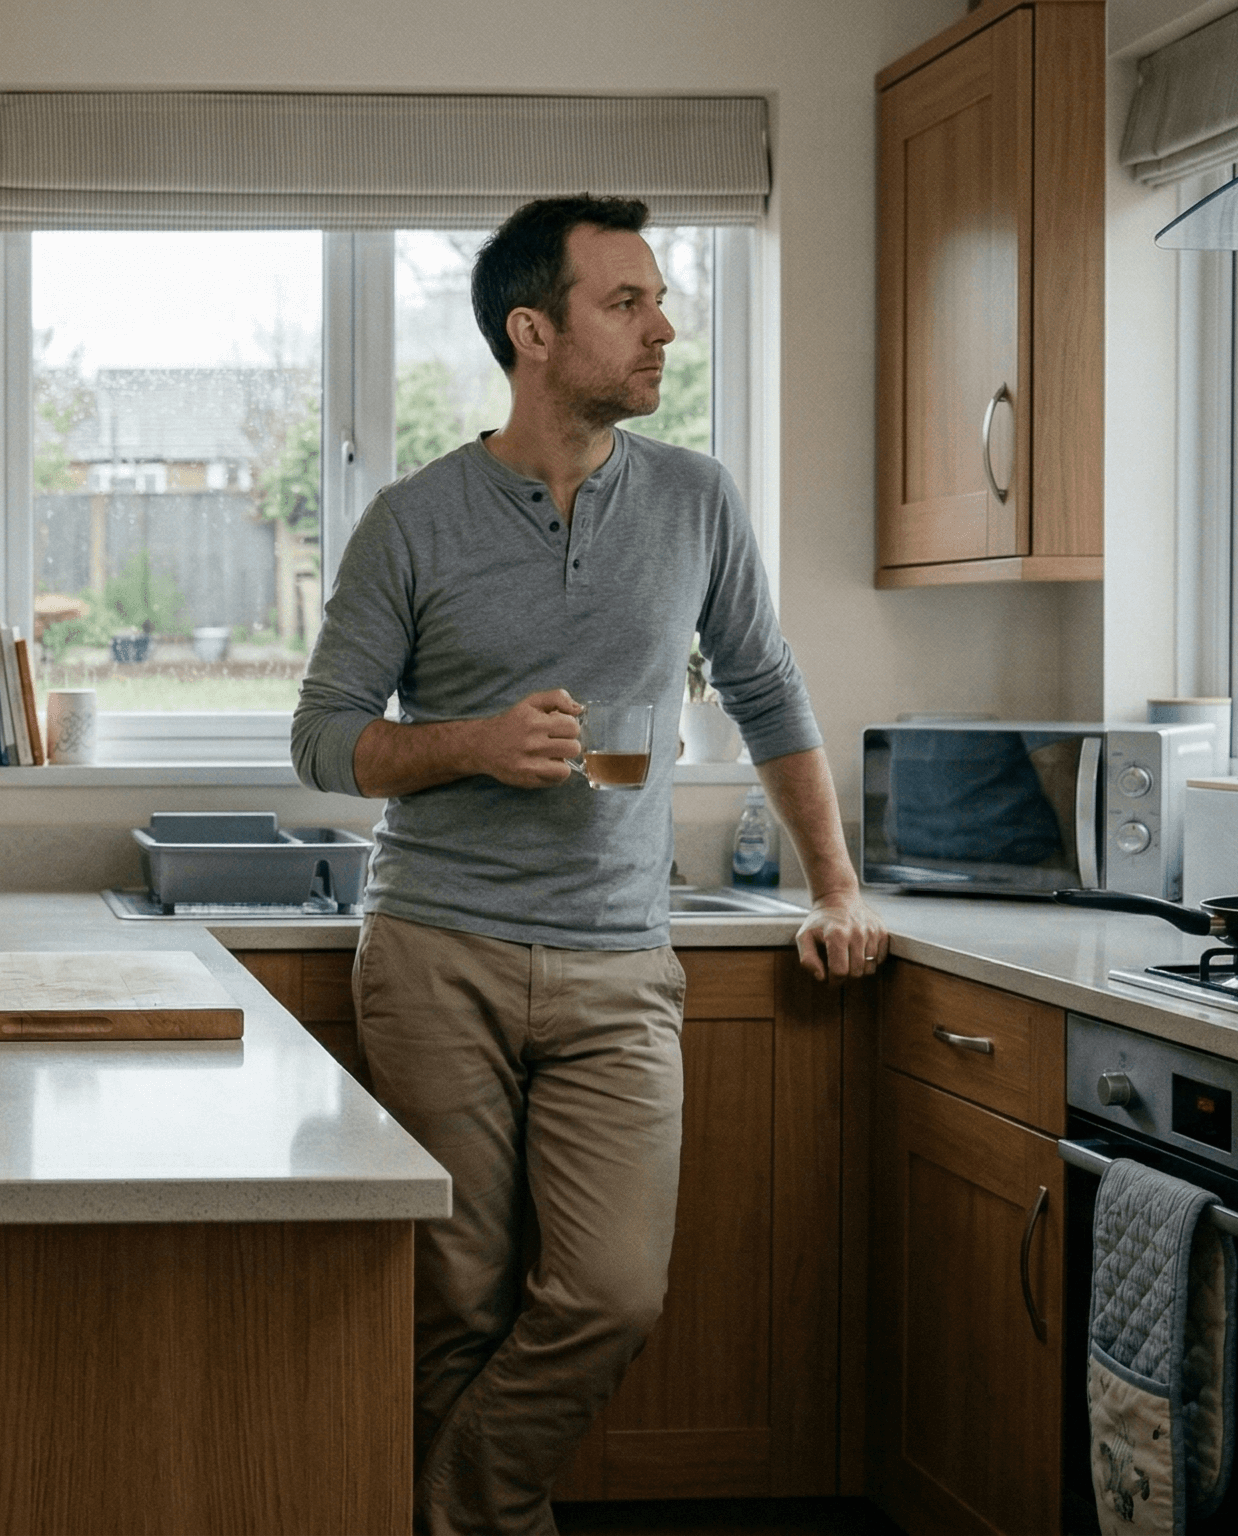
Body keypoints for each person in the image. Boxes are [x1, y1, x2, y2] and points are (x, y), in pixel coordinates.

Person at [290, 198, 890, 1535]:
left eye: (658, 299)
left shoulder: (695, 501)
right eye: (627, 303)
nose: (662, 326)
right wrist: (473, 746)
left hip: (620, 960)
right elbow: (323, 740)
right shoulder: (412, 521)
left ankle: (436, 1511)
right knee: (456, 1299)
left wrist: (836, 887)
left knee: (612, 1291)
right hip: (434, 950)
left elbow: (769, 690)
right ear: (534, 332)